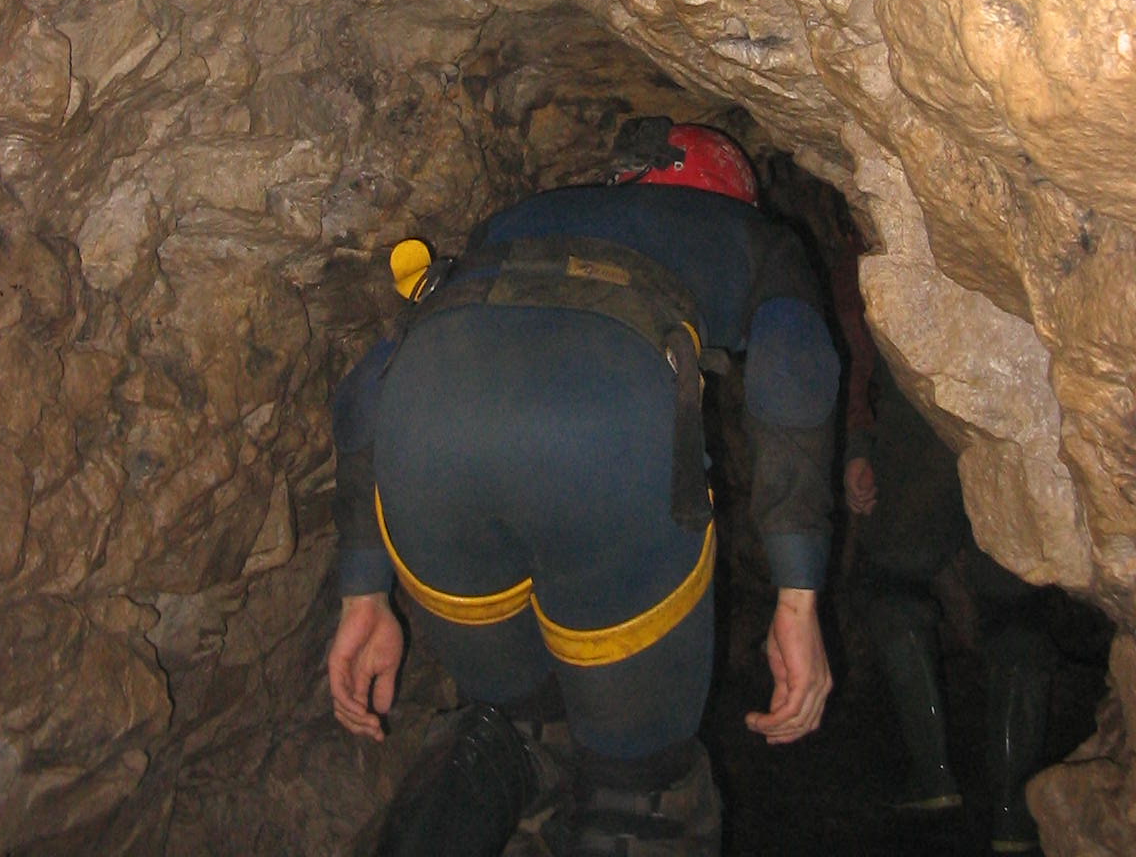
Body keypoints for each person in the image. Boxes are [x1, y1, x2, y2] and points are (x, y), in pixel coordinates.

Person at [326, 117, 840, 857]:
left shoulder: (516, 221)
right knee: (641, 787)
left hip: (426, 438)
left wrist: (363, 592)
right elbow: (793, 366)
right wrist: (798, 596)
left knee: (511, 732)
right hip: (600, 447)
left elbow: (362, 395)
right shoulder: (747, 236)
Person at [833, 232, 1054, 855]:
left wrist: (859, 444)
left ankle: (933, 776)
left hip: (920, 415)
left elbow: (858, 341)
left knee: (892, 582)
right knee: (1015, 605)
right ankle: (1013, 810)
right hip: (1015, 408)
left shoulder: (881, 231)